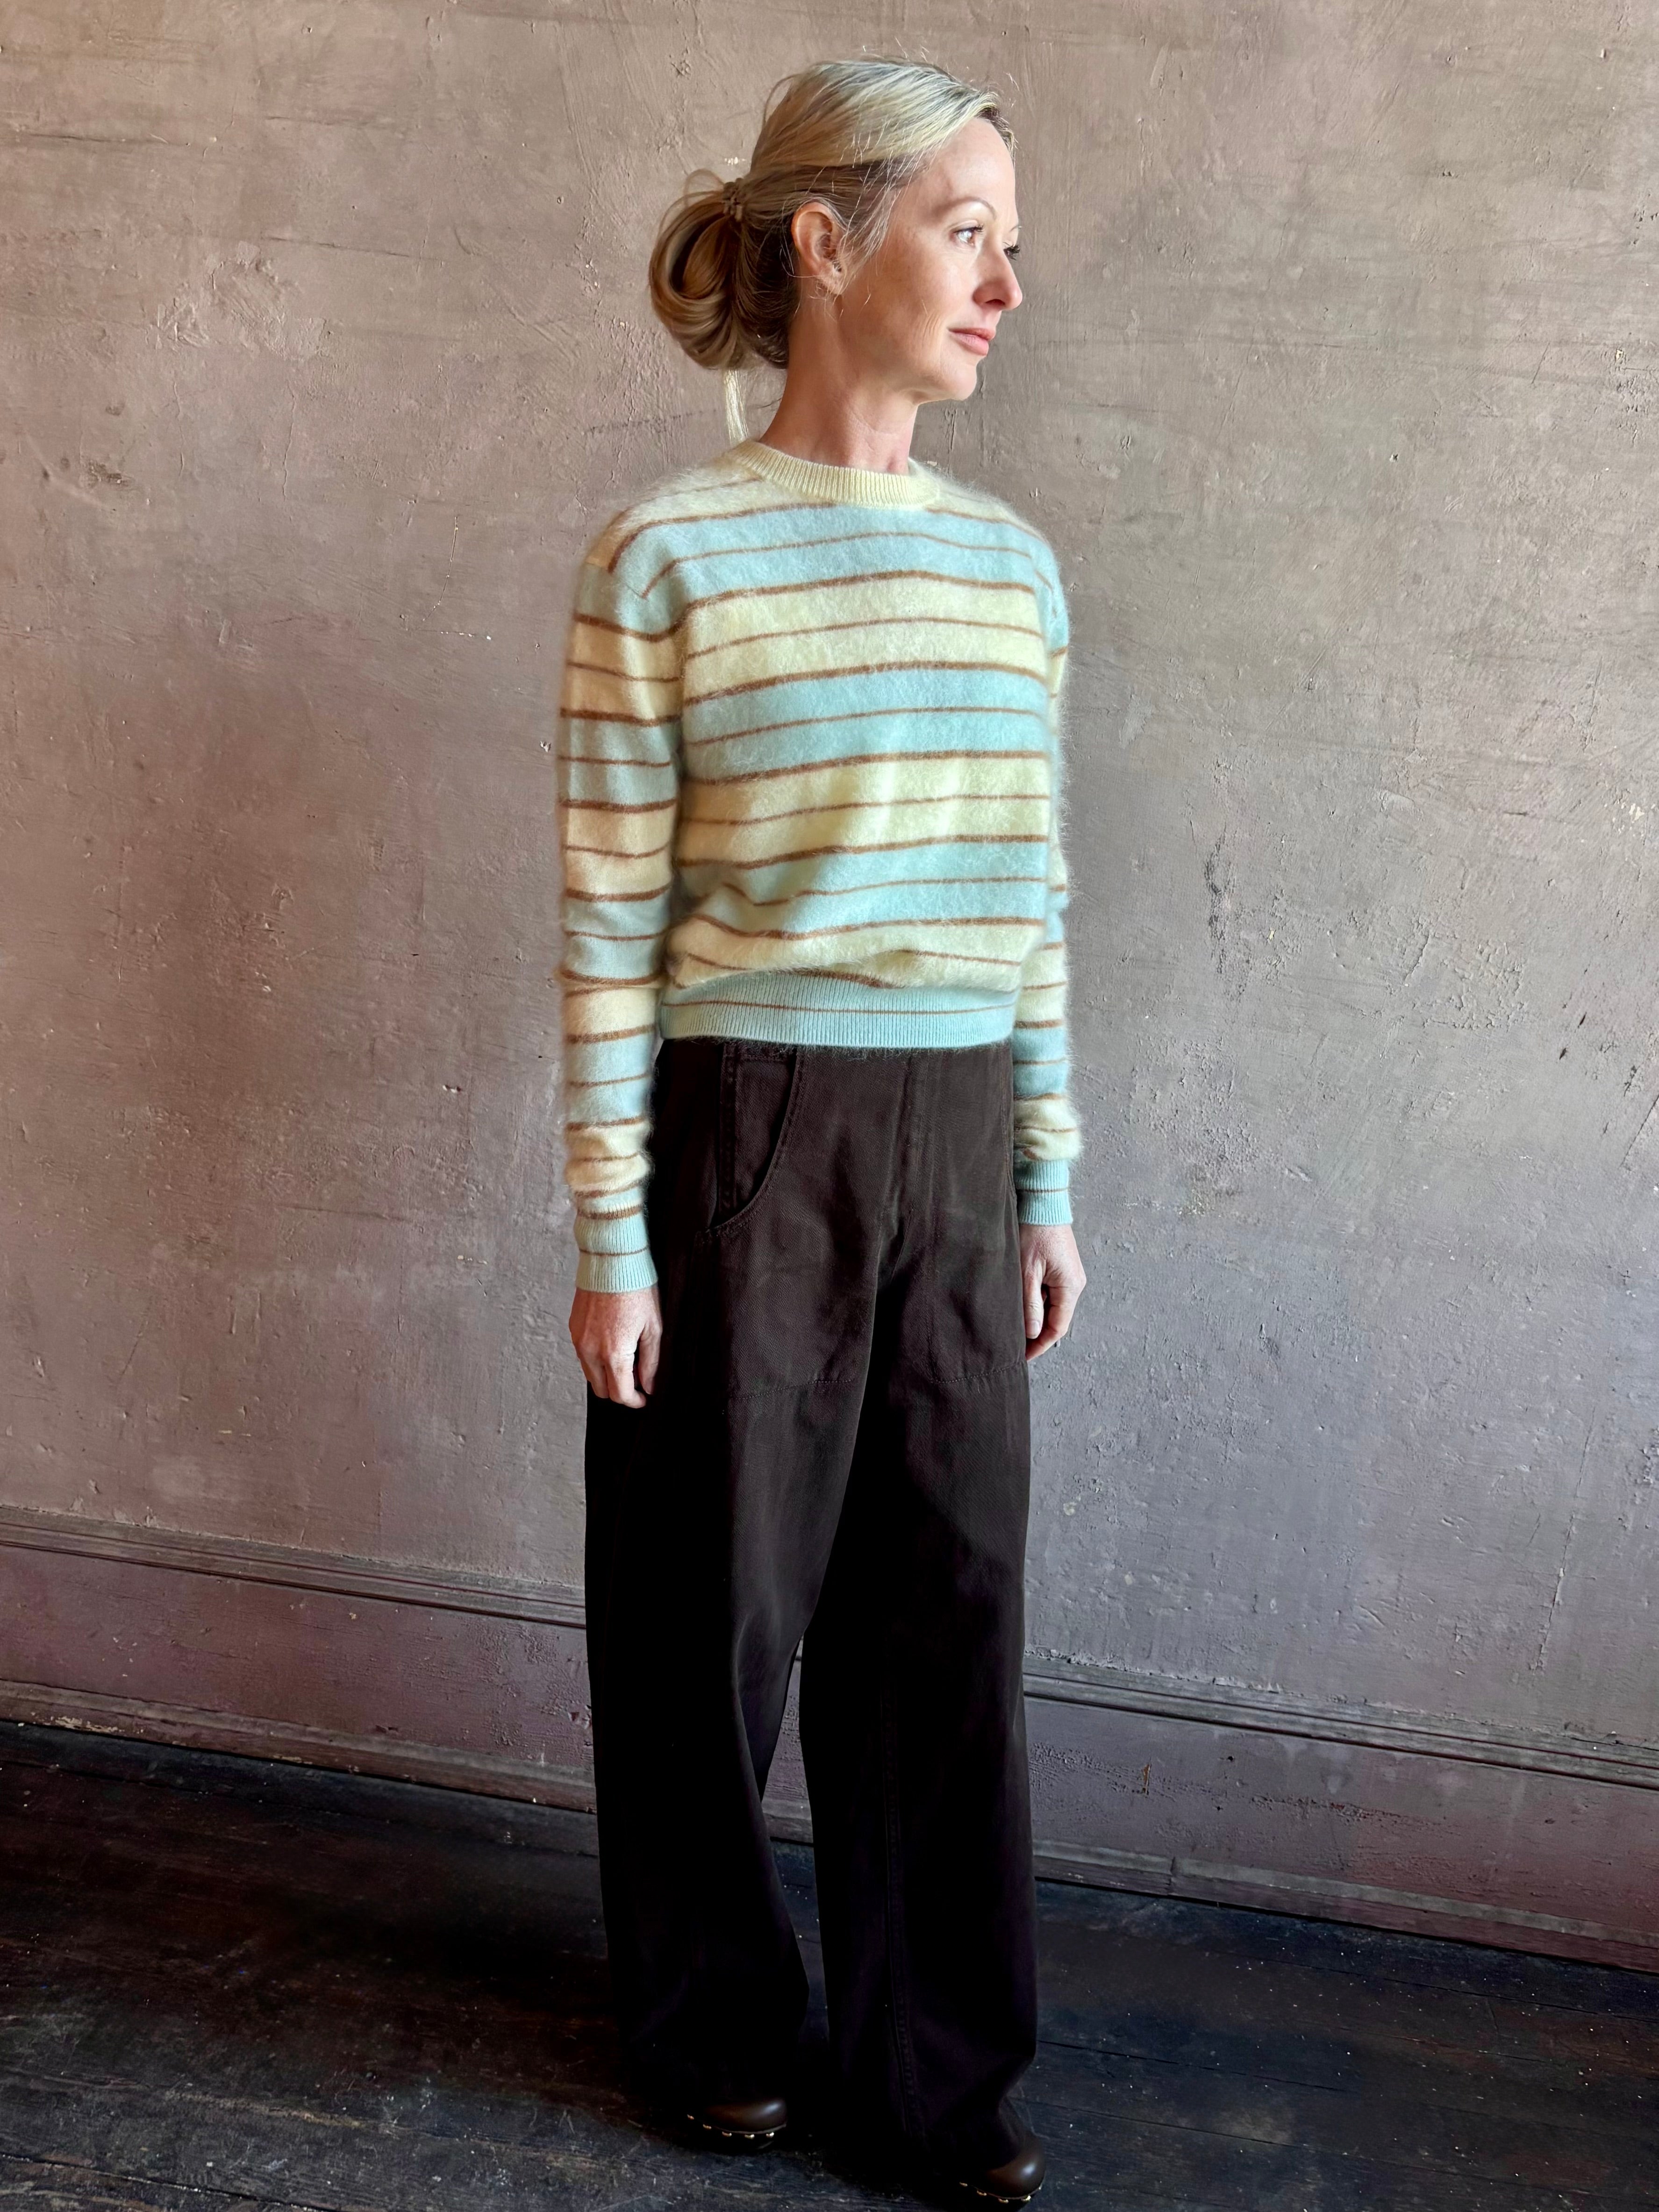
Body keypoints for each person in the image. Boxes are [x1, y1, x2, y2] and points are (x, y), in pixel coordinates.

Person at [555, 56, 1086, 2208]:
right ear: (826, 240)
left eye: (1010, 243)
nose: (1007, 284)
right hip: (746, 1128)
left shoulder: (1016, 574)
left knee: (945, 1610)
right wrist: (612, 1229)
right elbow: (608, 915)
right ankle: (710, 2022)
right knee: (711, 1608)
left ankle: (936, 2073)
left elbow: (1038, 899)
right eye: (970, 231)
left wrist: (1042, 1174)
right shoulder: (666, 557)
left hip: (955, 1128)